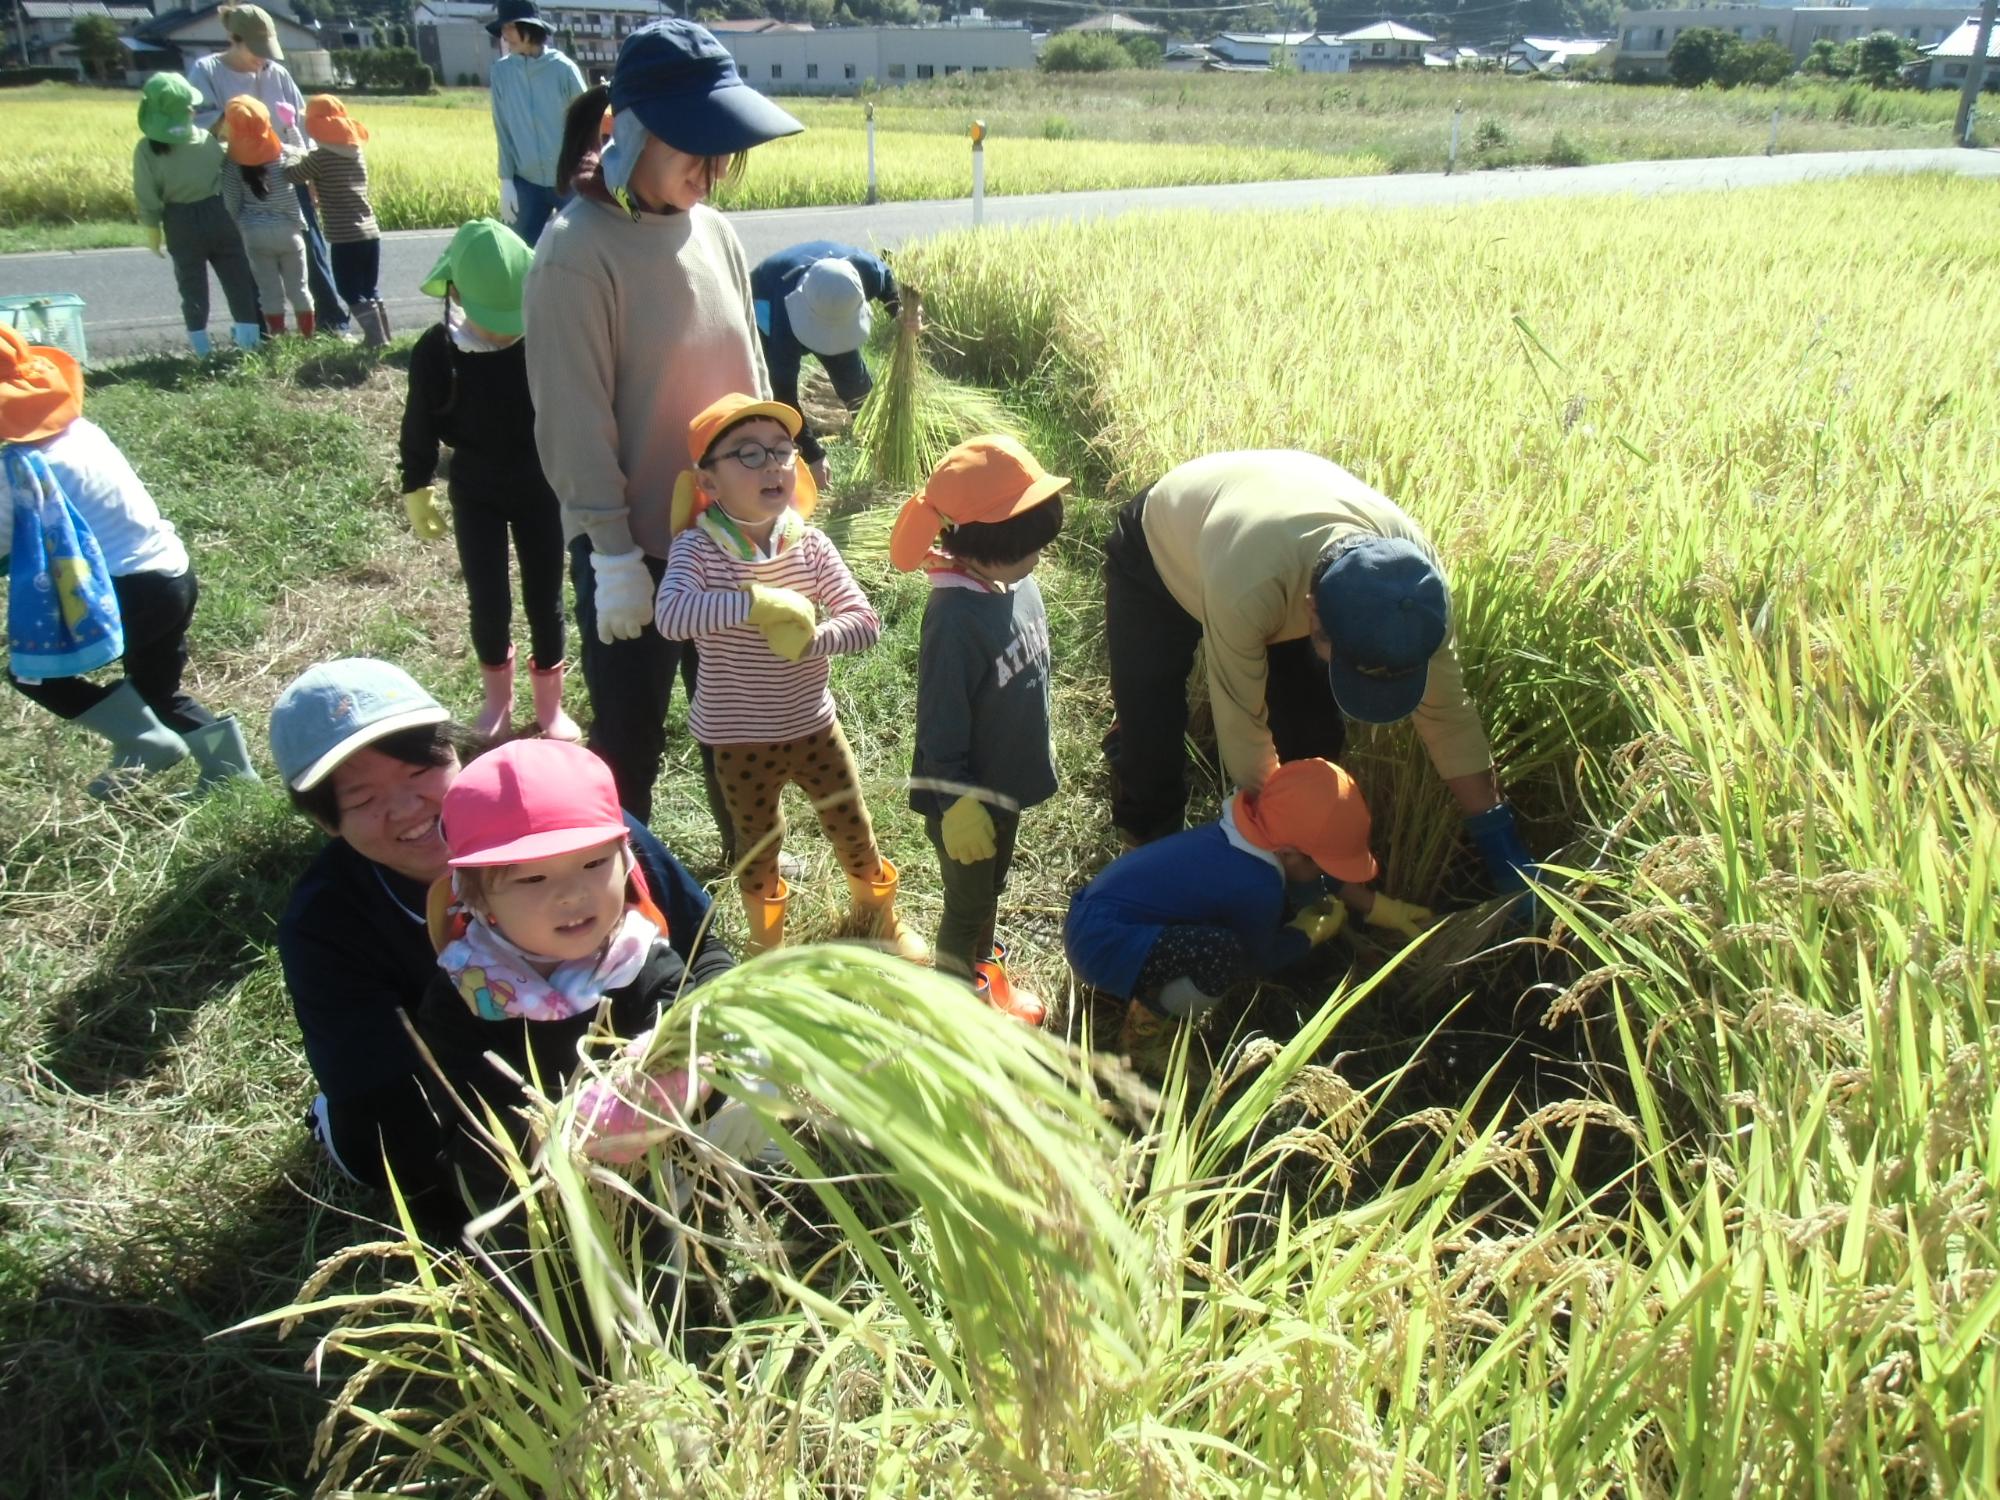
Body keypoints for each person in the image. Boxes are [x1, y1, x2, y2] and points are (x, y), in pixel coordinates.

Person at [270, 658, 730, 1206]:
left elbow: (704, 953)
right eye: (364, 800)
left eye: (419, 772)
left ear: (456, 753)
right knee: (383, 1156)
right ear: (327, 822)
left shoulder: (569, 826)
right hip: (476, 1093)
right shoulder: (325, 927)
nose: (407, 808)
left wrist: (679, 1071)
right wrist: (554, 1148)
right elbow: (387, 1102)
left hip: (617, 1058)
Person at [523, 18, 801, 827]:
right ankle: (627, 883)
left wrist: (773, 498)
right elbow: (573, 419)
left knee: (739, 721)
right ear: (631, 133)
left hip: (724, 535)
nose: (712, 172)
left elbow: (748, 371)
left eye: (723, 153)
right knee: (632, 735)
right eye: (695, 149)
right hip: (636, 545)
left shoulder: (713, 230)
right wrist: (611, 554)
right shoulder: (577, 253)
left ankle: (753, 866)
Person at [1102, 450, 1537, 892]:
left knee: (1314, 738)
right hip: (1160, 550)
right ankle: (1147, 854)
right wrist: (1291, 859)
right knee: (1150, 726)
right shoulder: (1249, 589)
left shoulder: (1415, 594)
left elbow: (1449, 716)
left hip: (1274, 544)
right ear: (1312, 617)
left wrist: (1496, 834)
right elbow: (1244, 735)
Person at [413, 738, 750, 1221]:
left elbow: (711, 1068)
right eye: (532, 879)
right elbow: (468, 1124)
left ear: (627, 862)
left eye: (594, 864)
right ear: (478, 899)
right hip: (529, 1206)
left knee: (668, 1271)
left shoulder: (640, 961)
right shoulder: (465, 995)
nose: (572, 894)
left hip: (648, 1188)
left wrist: (683, 1079)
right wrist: (568, 1131)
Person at [653, 394, 924, 962]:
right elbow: (672, 617)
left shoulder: (811, 545)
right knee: (759, 843)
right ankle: (766, 947)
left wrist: (813, 640)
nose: (773, 465)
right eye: (747, 455)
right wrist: (753, 603)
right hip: (737, 736)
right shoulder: (698, 548)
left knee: (852, 823)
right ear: (710, 479)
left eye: (782, 451)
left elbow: (865, 622)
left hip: (813, 725)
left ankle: (879, 916)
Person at [3, 326, 258, 796]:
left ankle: (143, 743)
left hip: (124, 588)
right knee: (155, 688)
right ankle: (233, 774)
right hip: (171, 572)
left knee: (31, 670)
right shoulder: (81, 432)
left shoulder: (21, 468)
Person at [1065, 758, 1433, 1067]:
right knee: (1222, 955)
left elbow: (1306, 866)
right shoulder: (1259, 887)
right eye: (1323, 870)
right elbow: (1256, 960)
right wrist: (1305, 936)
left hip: (1094, 923)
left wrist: (1377, 907)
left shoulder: (1243, 836)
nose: (1325, 877)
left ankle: (1132, 983)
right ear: (1289, 853)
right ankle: (1146, 1035)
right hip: (1102, 946)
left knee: (1209, 938)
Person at [889, 435, 1068, 1024]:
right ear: (986, 543)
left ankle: (981, 977)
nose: (1037, 559)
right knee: (966, 907)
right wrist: (957, 799)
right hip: (966, 798)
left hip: (1006, 784)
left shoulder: (1012, 581)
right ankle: (953, 1017)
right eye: (1029, 548)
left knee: (990, 889)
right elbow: (939, 724)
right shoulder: (955, 616)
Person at [400, 219, 579, 744]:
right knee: (488, 597)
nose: (504, 329)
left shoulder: (546, 335)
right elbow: (420, 422)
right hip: (475, 487)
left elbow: (577, 406)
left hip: (540, 483)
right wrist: (416, 482)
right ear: (455, 292)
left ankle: (550, 709)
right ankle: (496, 702)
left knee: (545, 595)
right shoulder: (438, 351)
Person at [185, 5, 351, 337]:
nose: (263, 58)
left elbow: (300, 127)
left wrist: (312, 174)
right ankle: (261, 333)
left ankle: (333, 324)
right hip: (241, 177)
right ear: (234, 39)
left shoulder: (277, 73)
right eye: (256, 50)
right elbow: (200, 126)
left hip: (290, 172)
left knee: (311, 251)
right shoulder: (207, 71)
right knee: (252, 258)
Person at [748, 242, 900, 489]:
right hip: (767, 307)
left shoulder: (861, 272)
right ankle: (775, 463)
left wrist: (900, 310)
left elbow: (887, 281)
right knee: (763, 401)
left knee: (857, 387)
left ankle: (883, 446)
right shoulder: (782, 320)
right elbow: (783, 397)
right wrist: (813, 455)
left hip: (826, 306)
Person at [130, 72, 261, 357]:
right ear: (188, 110)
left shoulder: (147, 150)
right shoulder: (205, 139)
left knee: (192, 286)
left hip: (179, 221)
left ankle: (202, 350)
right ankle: (250, 343)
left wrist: (153, 228)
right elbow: (227, 167)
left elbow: (146, 194)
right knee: (238, 278)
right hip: (219, 213)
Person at [286, 96, 388, 347]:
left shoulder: (320, 158)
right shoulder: (355, 153)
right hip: (370, 231)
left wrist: (289, 153)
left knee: (347, 288)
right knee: (368, 288)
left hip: (345, 236)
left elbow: (293, 174)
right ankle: (384, 335)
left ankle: (375, 339)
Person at [485, 0, 586, 247]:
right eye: (503, 29)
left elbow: (588, 123)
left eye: (509, 27)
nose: (504, 35)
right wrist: (506, 180)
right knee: (518, 253)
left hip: (567, 180)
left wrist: (587, 174)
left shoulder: (562, 69)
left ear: (530, 28)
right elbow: (503, 128)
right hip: (525, 182)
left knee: (579, 251)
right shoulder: (501, 72)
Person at [219, 97, 312, 339]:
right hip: (289, 231)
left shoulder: (232, 164)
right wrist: (291, 126)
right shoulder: (282, 154)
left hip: (254, 234)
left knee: (269, 292)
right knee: (299, 289)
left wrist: (243, 224)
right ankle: (307, 337)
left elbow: (231, 202)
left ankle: (278, 338)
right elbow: (303, 153)